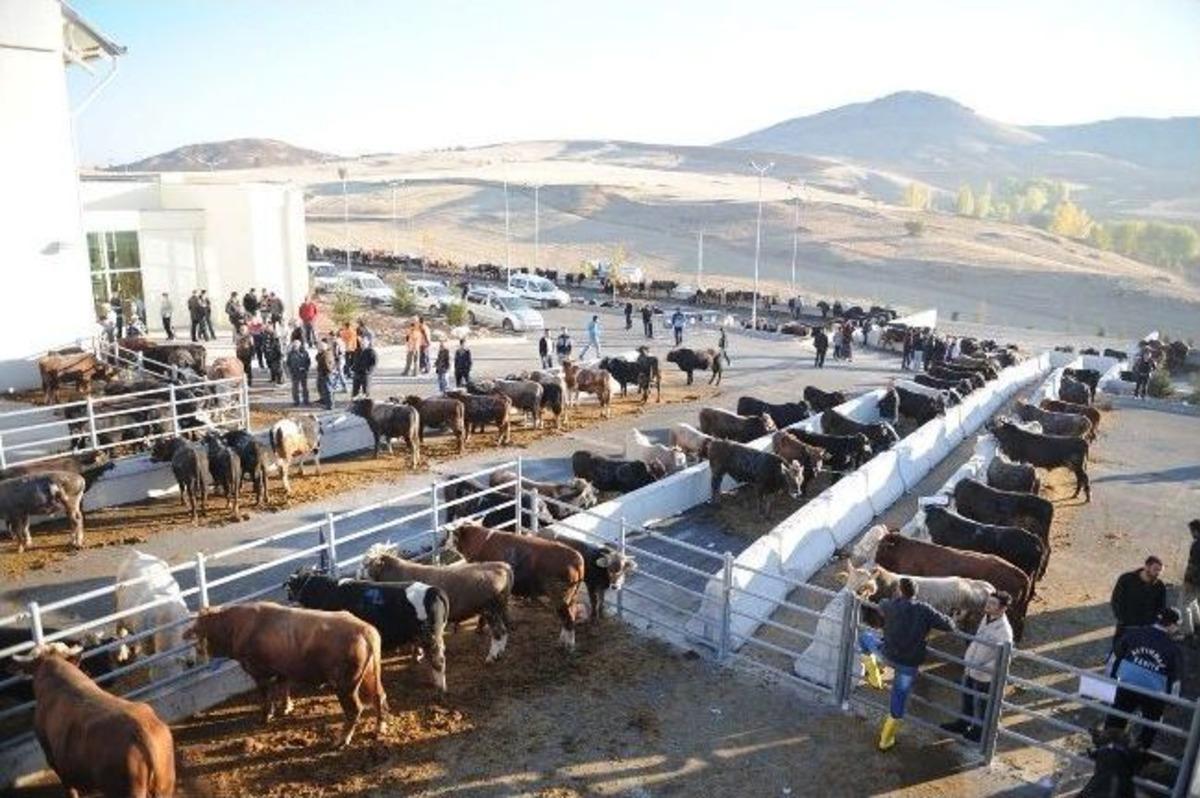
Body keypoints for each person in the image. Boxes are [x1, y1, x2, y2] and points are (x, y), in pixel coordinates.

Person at [859, 577, 955, 751]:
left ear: (899, 592)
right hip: (908, 663)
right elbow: (950, 626)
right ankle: (885, 741)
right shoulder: (924, 610)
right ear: (916, 593)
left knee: (865, 638)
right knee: (899, 699)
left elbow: (880, 605)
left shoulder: (889, 604)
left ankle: (873, 674)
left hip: (887, 654)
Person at [1104, 607, 1182, 752]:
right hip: (1154, 694)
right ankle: (1138, 754)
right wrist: (1172, 701)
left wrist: (1111, 679)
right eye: (1177, 626)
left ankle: (1105, 749)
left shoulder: (1134, 633)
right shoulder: (1173, 649)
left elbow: (1114, 657)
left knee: (1116, 718)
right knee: (1150, 725)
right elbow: (1175, 680)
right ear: (1171, 625)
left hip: (1127, 685)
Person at [942, 592, 1013, 742]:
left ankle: (979, 732)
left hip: (984, 674)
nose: (988, 605)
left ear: (1002, 609)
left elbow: (1004, 658)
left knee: (982, 703)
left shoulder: (1004, 632)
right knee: (967, 697)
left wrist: (984, 668)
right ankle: (963, 723)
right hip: (971, 667)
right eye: (989, 602)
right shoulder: (986, 618)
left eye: (993, 604)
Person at [1110, 556, 1167, 650]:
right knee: (1119, 650)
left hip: (1146, 628)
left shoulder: (1160, 586)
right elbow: (1116, 600)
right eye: (1155, 569)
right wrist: (1121, 619)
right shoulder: (1126, 579)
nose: (1158, 573)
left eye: (1160, 571)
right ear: (1146, 567)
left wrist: (1153, 622)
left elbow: (1161, 607)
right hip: (1126, 626)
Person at [286, 340, 311, 406]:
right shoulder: (290, 353)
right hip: (295, 373)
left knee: (305, 387)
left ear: (299, 345)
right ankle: (296, 401)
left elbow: (308, 361)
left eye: (296, 345)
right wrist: (291, 370)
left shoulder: (305, 352)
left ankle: (306, 400)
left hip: (303, 372)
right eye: (294, 345)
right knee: (295, 388)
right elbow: (288, 363)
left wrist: (306, 369)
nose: (295, 346)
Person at [315, 340, 334, 410]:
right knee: (320, 387)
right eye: (318, 346)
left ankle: (330, 405)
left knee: (328, 389)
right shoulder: (322, 353)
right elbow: (317, 358)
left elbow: (328, 365)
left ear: (324, 347)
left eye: (320, 346)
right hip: (322, 373)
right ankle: (323, 400)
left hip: (326, 374)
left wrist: (327, 372)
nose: (318, 347)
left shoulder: (327, 353)